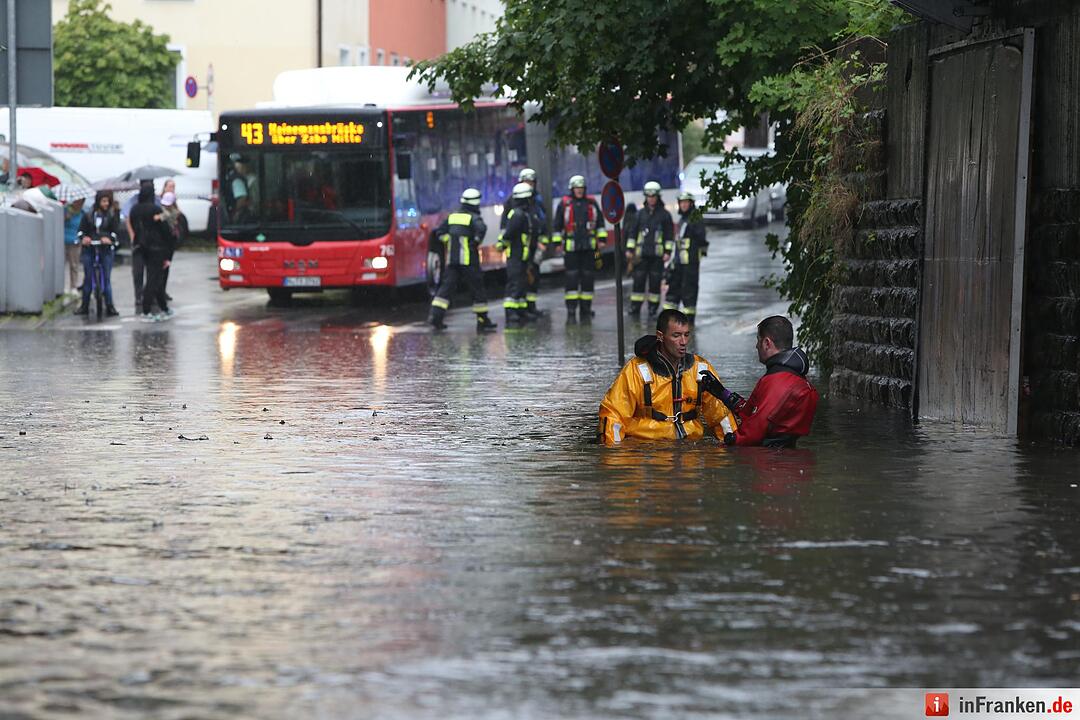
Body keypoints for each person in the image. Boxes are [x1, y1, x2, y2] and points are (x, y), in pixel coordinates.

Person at [598, 309, 737, 444]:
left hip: (690, 449)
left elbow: (721, 415)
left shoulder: (700, 369)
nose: (683, 342)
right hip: (646, 449)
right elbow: (614, 415)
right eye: (676, 335)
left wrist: (734, 443)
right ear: (660, 336)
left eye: (686, 335)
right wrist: (614, 453)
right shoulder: (637, 370)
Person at [699, 315, 819, 448]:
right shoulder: (794, 380)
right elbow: (751, 412)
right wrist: (722, 393)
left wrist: (725, 444)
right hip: (787, 454)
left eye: (758, 340)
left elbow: (752, 433)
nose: (756, 346)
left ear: (767, 343)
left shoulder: (777, 383)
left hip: (769, 457)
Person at [428, 188, 498, 332]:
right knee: (477, 289)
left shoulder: (452, 216)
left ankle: (436, 317)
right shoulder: (474, 218)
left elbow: (439, 232)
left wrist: (449, 241)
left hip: (452, 260)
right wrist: (475, 241)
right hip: (468, 260)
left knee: (445, 289)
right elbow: (481, 229)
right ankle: (482, 320)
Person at [552, 175, 607, 322]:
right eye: (577, 188)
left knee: (588, 278)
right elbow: (557, 225)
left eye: (581, 188)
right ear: (572, 189)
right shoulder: (565, 204)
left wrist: (602, 240)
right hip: (571, 249)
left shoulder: (591, 203)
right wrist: (557, 243)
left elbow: (600, 223)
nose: (579, 191)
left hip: (589, 248)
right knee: (572, 278)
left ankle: (586, 309)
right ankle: (571, 310)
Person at [625, 180, 673, 317]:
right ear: (646, 197)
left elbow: (669, 235)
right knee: (638, 282)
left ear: (658, 197)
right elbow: (632, 233)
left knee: (655, 283)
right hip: (641, 255)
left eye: (653, 196)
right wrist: (630, 249)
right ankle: (635, 307)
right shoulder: (640, 214)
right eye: (649, 196)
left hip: (657, 256)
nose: (651, 199)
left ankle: (653, 308)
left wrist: (667, 252)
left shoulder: (665, 215)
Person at [662, 191, 709, 321]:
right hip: (678, 262)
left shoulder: (696, 219)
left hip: (690, 263)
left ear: (691, 204)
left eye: (686, 202)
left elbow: (701, 240)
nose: (683, 205)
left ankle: (689, 318)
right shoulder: (682, 220)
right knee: (673, 289)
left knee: (689, 291)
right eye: (681, 202)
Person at [129, 184, 173, 321]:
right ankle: (147, 308)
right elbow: (165, 229)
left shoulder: (134, 209)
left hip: (140, 245)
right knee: (154, 278)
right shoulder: (155, 209)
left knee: (150, 277)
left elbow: (133, 224)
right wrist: (168, 249)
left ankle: (163, 307)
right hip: (156, 247)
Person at [497, 182, 539, 327]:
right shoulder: (517, 215)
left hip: (522, 255)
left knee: (522, 283)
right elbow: (509, 234)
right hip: (515, 255)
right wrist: (501, 244)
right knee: (514, 283)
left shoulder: (524, 214)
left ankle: (521, 310)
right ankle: (511, 312)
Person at [74, 191, 121, 316]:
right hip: (90, 248)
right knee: (88, 277)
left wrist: (109, 239)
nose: (106, 204)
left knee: (106, 277)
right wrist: (84, 238)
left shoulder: (112, 216)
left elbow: (115, 232)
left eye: (107, 201)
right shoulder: (88, 215)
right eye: (103, 201)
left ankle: (110, 305)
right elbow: (80, 231)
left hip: (105, 249)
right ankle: (84, 305)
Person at [515, 168, 548, 318]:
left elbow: (543, 222)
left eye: (531, 182)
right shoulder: (515, 201)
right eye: (526, 182)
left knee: (534, 276)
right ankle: (522, 309)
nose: (529, 185)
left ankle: (531, 306)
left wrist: (543, 241)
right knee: (522, 277)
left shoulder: (537, 201)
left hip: (535, 245)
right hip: (522, 247)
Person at [127, 179, 156, 312]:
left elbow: (131, 222)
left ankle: (138, 296)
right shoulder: (155, 208)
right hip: (153, 244)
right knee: (151, 272)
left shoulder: (135, 209)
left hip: (138, 242)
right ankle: (149, 295)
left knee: (138, 272)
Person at [159, 187, 188, 303]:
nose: (166, 206)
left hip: (169, 243)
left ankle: (162, 290)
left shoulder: (173, 213)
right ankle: (160, 291)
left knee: (165, 267)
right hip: (163, 244)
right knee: (162, 268)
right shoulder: (168, 212)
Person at [63, 197, 86, 295]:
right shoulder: (66, 209)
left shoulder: (83, 213)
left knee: (74, 265)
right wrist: (67, 216)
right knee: (61, 264)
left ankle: (73, 286)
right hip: (63, 239)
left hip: (76, 241)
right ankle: (62, 285)